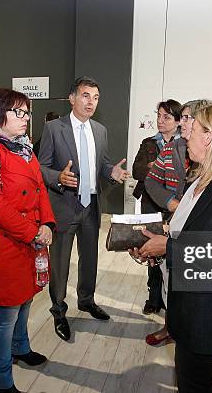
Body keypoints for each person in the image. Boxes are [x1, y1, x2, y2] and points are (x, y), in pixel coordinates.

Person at [134, 104, 212, 393]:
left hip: (206, 313)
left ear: (210, 137)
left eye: (193, 130)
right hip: (187, 306)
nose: (185, 135)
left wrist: (167, 246)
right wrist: (152, 244)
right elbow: (187, 233)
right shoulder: (201, 180)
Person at [0, 89, 55, 393]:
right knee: (5, 314)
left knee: (26, 299)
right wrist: (32, 231)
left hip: (29, 240)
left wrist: (47, 223)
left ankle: (21, 348)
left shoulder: (23, 148)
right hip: (4, 243)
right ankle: (1, 378)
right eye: (19, 112)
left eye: (27, 113)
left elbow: (40, 188)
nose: (26, 118)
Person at [38, 76, 130, 341]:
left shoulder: (99, 130)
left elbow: (102, 165)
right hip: (64, 205)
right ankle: (58, 310)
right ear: (72, 98)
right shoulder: (54, 128)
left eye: (96, 97)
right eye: (86, 96)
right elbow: (42, 167)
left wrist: (111, 172)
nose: (91, 102)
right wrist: (58, 178)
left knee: (90, 258)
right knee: (60, 262)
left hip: (91, 206)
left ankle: (86, 300)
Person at [142, 99, 212, 347]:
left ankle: (191, 334)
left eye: (187, 118)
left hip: (200, 238)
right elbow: (151, 182)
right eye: (181, 117)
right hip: (172, 227)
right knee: (169, 282)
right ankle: (171, 327)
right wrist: (173, 203)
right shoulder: (172, 148)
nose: (182, 122)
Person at [132, 99, 182, 316]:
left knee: (172, 251)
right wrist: (157, 168)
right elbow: (137, 171)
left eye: (166, 117)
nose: (160, 121)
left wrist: (156, 168)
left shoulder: (186, 146)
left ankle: (170, 300)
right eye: (159, 116)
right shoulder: (149, 143)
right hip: (151, 203)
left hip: (175, 206)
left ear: (178, 121)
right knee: (151, 249)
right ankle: (153, 298)